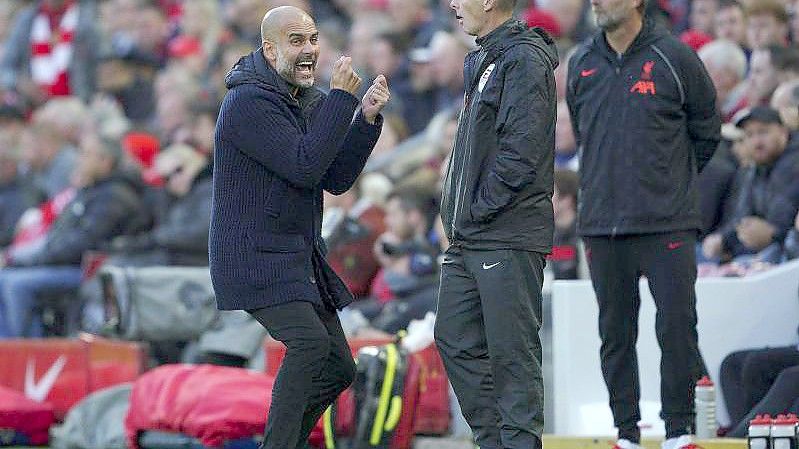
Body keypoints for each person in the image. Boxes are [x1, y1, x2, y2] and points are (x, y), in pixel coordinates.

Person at [208, 6, 389, 449]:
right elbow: (305, 166)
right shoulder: (246, 102)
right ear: (270, 50)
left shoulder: (302, 97)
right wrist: (343, 101)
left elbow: (334, 177)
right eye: (296, 41)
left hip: (294, 255)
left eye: (312, 39)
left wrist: (363, 120)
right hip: (253, 257)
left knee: (339, 368)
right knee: (310, 345)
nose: (309, 50)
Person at [566, 0, 721, 447]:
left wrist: (669, 182)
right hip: (601, 224)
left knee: (676, 328)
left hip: (666, 222)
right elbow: (584, 133)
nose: (597, 2)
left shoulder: (675, 57)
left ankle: (679, 429)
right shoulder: (581, 62)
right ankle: (626, 433)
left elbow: (706, 130)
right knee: (614, 336)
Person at [435, 0, 558, 447]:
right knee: (453, 338)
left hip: (506, 234)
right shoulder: (489, 55)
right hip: (473, 235)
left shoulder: (523, 58)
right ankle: (495, 442)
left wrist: (474, 208)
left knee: (512, 356)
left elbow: (520, 151)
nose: (452, 4)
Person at [702, 107, 799, 263]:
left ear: (783, 131)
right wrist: (723, 239)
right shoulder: (754, 168)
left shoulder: (793, 162)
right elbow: (741, 214)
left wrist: (771, 234)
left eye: (763, 132)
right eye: (749, 135)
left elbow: (780, 216)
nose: (757, 141)